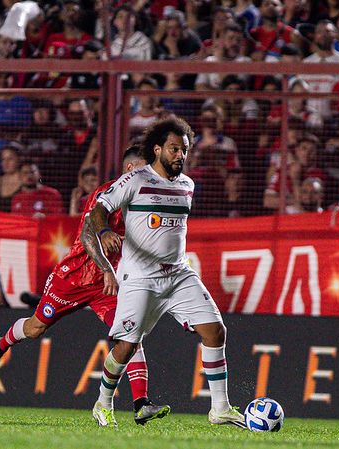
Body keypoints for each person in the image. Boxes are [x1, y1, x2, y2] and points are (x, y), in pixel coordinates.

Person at [0, 145, 171, 426]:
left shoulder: (145, 201)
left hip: (106, 287)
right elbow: (87, 235)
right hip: (73, 278)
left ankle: (140, 404)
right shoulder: (106, 195)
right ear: (130, 170)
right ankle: (0, 346)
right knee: (35, 328)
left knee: (130, 335)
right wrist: (106, 268)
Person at [84, 118, 245, 428]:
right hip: (141, 277)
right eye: (174, 149)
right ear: (157, 149)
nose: (180, 155)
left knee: (215, 331)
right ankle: (103, 402)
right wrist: (104, 231)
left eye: (184, 150)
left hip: (178, 274)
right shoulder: (135, 180)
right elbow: (98, 209)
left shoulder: (187, 185)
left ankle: (220, 408)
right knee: (126, 347)